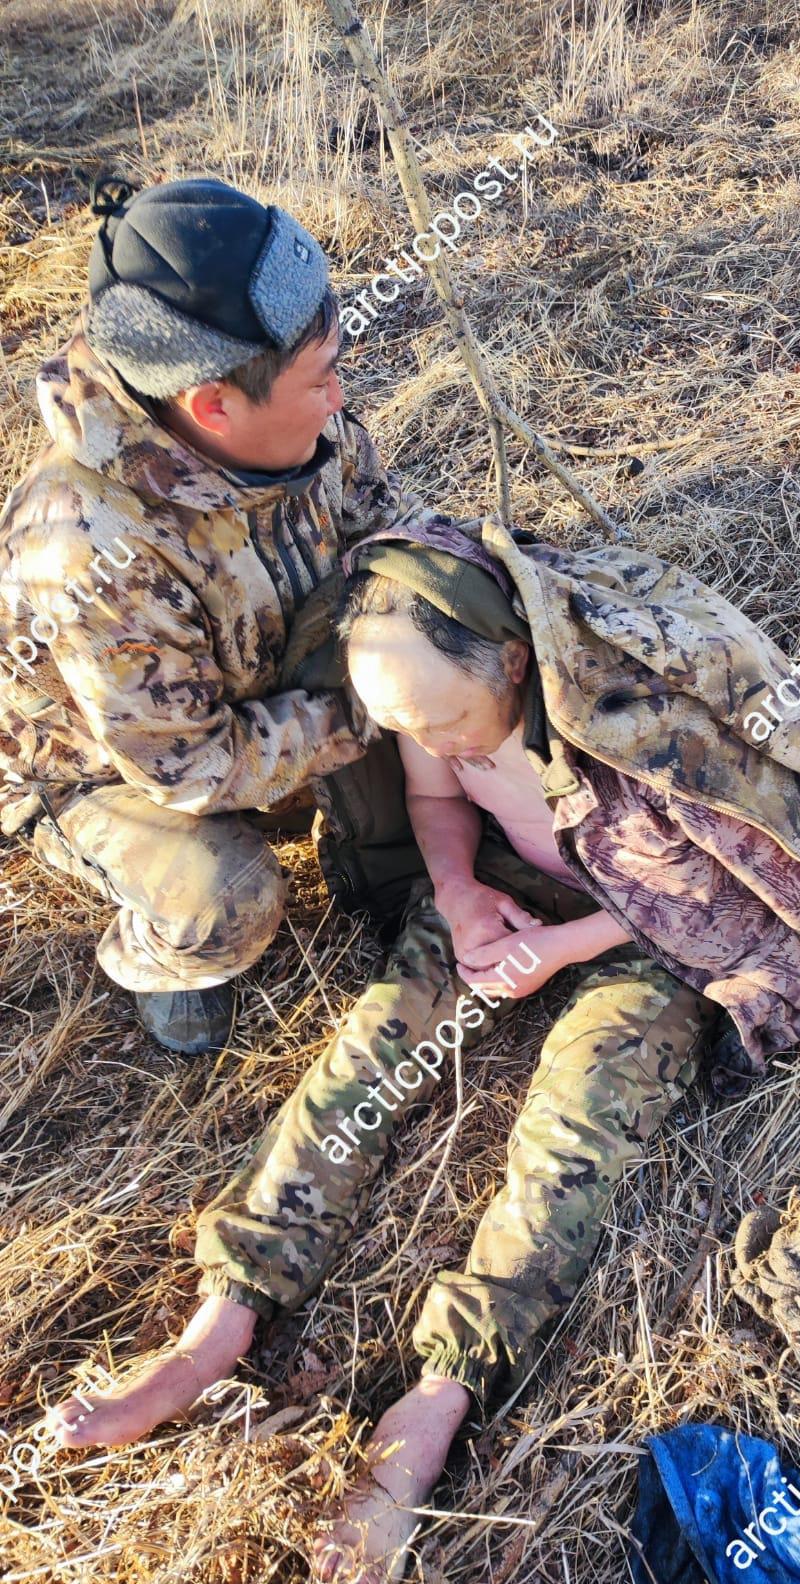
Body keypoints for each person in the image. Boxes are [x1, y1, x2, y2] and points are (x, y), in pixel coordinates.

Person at [45, 520, 800, 1584]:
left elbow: (724, 887)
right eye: (403, 723)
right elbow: (438, 800)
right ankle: (225, 1318)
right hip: (502, 888)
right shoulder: (425, 705)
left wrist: (558, 949)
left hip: (649, 934)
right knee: (365, 1059)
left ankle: (441, 1395)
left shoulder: (635, 728)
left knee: (577, 1124)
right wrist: (458, 897)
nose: (427, 740)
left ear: (519, 669)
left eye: (445, 720)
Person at [0, 176, 441, 1053]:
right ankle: (162, 956)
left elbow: (385, 531)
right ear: (213, 407)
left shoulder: (294, 425)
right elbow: (192, 771)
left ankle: (377, 859)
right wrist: (373, 708)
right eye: (321, 380)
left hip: (265, 681)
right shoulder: (89, 553)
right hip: (105, 769)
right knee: (225, 897)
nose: (341, 402)